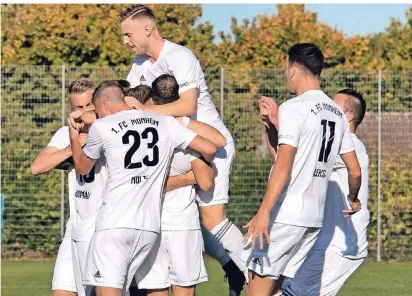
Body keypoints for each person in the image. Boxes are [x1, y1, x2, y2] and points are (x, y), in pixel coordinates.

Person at [118, 5, 246, 294]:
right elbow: (129, 101)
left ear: (147, 29)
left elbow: (188, 106)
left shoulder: (180, 56)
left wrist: (146, 112)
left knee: (213, 219)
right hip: (179, 142)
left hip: (210, 144)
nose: (125, 41)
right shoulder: (139, 64)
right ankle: (232, 268)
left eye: (128, 34)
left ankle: (261, 271)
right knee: (184, 219)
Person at [69, 81, 217, 296]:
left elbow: (82, 168)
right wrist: (206, 165)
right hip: (149, 227)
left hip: (114, 225)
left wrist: (74, 136)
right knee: (152, 288)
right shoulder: (165, 122)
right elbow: (210, 148)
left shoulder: (103, 125)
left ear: (104, 104)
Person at [241, 43, 362, 296]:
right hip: (313, 220)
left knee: (256, 288)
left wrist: (263, 212)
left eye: (287, 67)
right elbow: (354, 171)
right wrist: (352, 198)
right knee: (273, 289)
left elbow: (283, 165)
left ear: (293, 68)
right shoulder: (337, 115)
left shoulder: (293, 107)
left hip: (287, 214)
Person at [282, 89, 369, 296]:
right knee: (285, 286)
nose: (328, 108)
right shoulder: (335, 144)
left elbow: (353, 172)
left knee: (293, 292)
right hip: (328, 241)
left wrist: (283, 120)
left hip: (341, 246)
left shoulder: (350, 145)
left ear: (348, 116)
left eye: (334, 105)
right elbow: (286, 162)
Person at [30, 78, 99, 296]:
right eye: (78, 108)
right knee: (61, 291)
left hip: (104, 226)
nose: (83, 112)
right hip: (76, 226)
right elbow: (37, 167)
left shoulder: (111, 130)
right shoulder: (67, 133)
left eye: (88, 105)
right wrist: (74, 146)